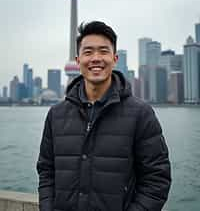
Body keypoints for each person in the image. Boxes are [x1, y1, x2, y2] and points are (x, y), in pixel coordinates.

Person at [37, 21, 171, 211]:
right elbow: (46, 171)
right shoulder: (56, 115)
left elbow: (157, 179)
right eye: (88, 52)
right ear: (78, 60)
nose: (96, 58)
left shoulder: (140, 114)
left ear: (115, 58)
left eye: (103, 51)